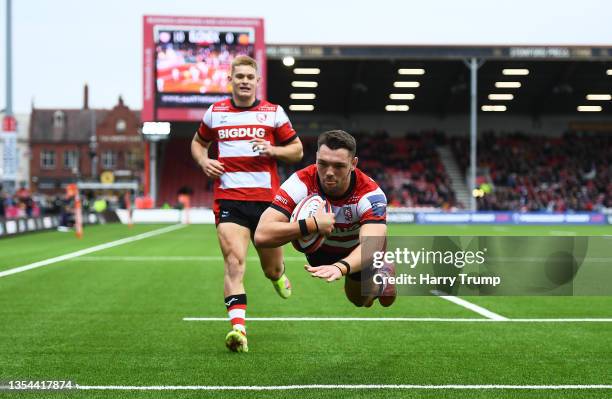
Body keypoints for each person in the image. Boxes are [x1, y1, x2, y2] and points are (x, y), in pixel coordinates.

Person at [191, 55, 303, 353]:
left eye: (248, 77)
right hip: (230, 201)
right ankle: (238, 329)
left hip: (268, 205)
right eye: (238, 76)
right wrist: (204, 160)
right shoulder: (215, 113)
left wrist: (273, 149)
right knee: (233, 263)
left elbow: (297, 151)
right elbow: (198, 142)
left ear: (257, 81)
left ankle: (278, 276)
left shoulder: (273, 113)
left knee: (271, 269)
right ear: (230, 79)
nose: (243, 81)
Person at [255, 130, 396, 308]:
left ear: (353, 164)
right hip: (320, 250)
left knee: (362, 300)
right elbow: (262, 235)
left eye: (338, 166)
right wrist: (312, 224)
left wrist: (340, 267)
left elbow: (372, 245)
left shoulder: (370, 194)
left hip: (357, 250)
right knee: (361, 300)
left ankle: (384, 277)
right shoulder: (300, 183)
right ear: (316, 159)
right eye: (323, 164)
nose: (329, 172)